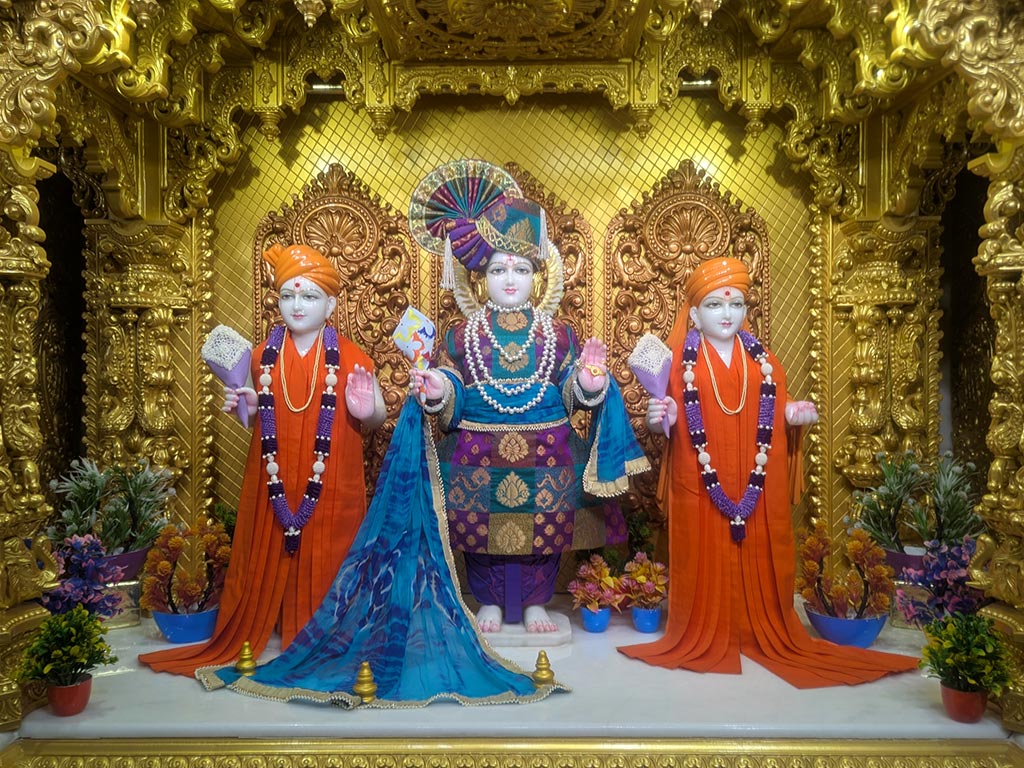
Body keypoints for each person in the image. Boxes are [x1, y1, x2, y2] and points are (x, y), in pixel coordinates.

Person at [619, 256, 917, 687]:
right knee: (703, 547)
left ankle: (759, 627)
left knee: (758, 546)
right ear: (695, 313)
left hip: (754, 481)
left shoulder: (763, 360)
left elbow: (778, 406)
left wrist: (794, 414)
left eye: (736, 305)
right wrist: (656, 416)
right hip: (702, 480)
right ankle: (707, 628)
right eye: (716, 306)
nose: (727, 315)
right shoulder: (681, 363)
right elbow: (665, 424)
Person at [408, 160, 649, 634]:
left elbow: (568, 384)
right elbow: (453, 380)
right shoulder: (461, 335)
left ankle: (539, 599)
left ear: (539, 276)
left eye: (521, 267)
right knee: (479, 532)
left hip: (546, 448)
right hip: (476, 449)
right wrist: (439, 389)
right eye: (499, 268)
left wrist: (589, 384)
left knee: (545, 529)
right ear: (479, 278)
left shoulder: (558, 334)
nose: (510, 278)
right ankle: (489, 601)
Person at [140, 243, 386, 677]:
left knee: (330, 548)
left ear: (331, 303)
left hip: (330, 483)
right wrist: (247, 405)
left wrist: (369, 411)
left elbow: (375, 418)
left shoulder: (352, 358)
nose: (297, 305)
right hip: (273, 483)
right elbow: (255, 421)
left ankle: (321, 630)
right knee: (271, 542)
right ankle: (268, 622)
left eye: (309, 296)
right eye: (288, 295)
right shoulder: (259, 357)